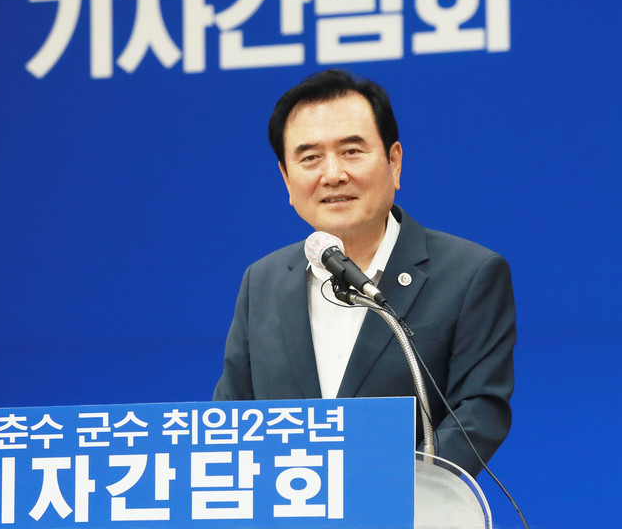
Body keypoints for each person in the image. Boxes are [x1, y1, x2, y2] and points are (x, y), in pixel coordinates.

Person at [213, 69, 516, 477]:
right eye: (310, 158)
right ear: (286, 178)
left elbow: (478, 412)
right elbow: (230, 421)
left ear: (394, 162)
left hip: (411, 506)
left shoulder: (468, 274)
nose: (333, 174)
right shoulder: (263, 282)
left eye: (352, 151)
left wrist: (389, 494)